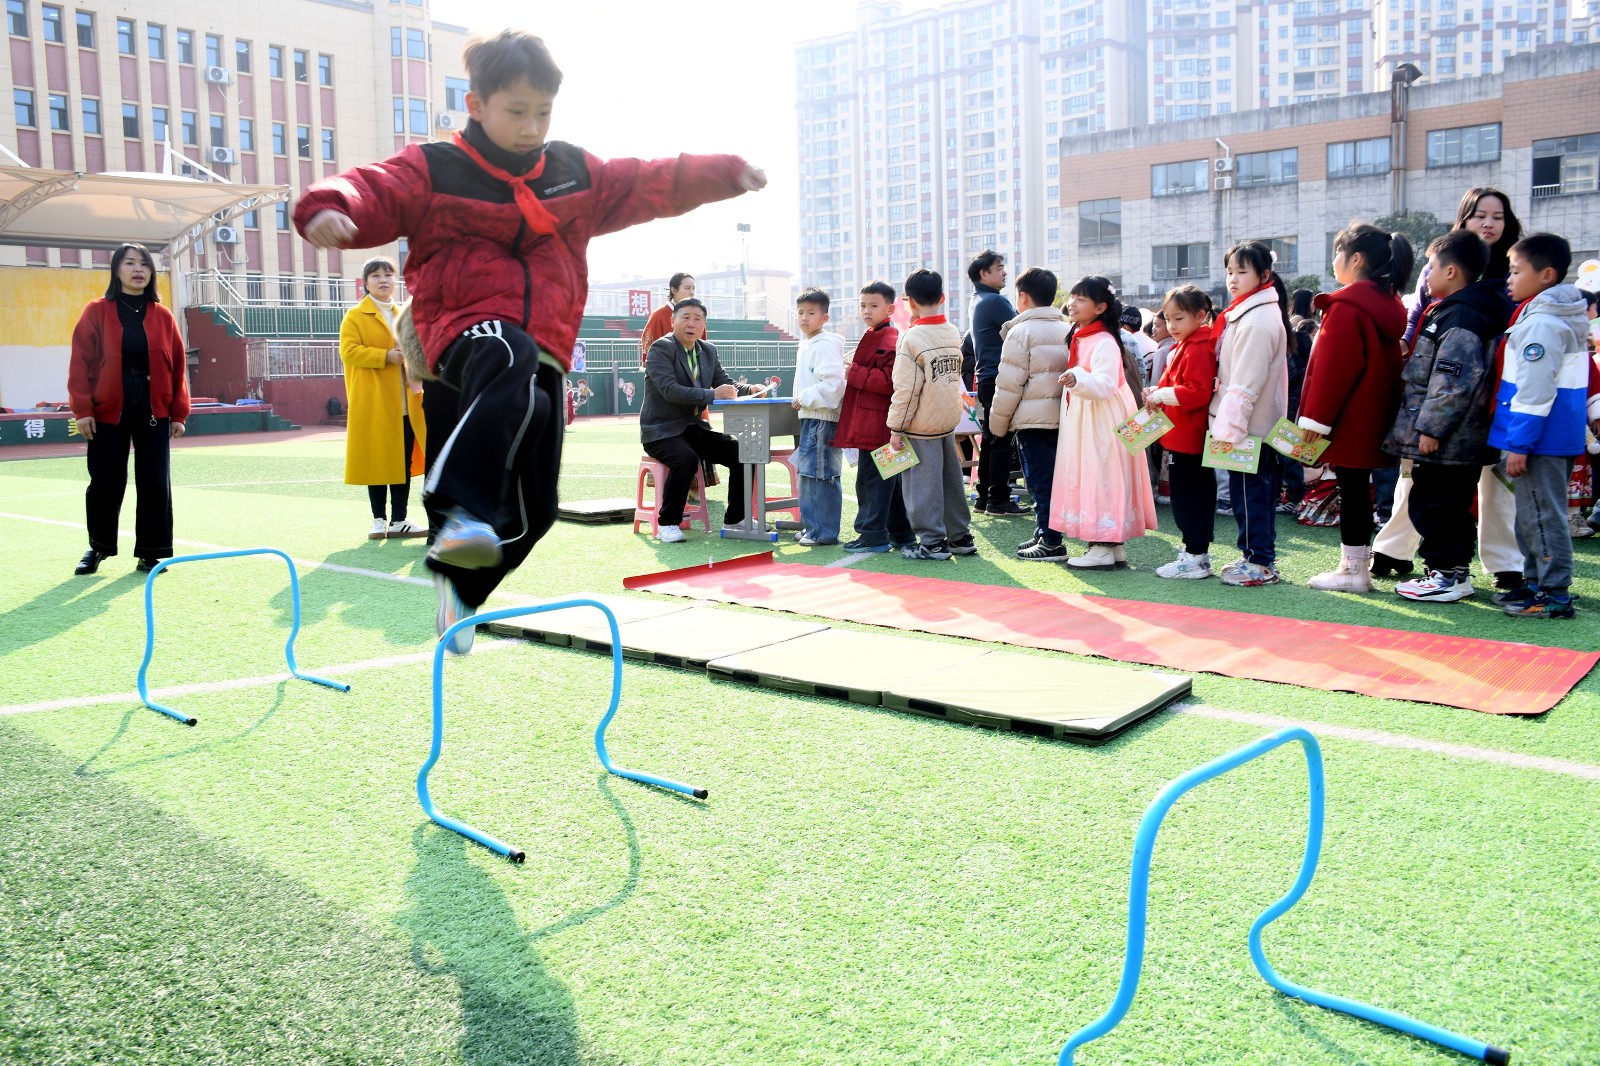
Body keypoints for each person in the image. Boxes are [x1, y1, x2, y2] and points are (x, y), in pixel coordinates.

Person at [295, 29, 766, 652]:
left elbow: (649, 181)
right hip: (459, 326)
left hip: (544, 344)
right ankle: (456, 505)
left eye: (543, 113)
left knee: (538, 506)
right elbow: (374, 186)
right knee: (506, 353)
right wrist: (329, 207)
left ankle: (462, 586)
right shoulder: (436, 167)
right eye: (516, 112)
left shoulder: (572, 172)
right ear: (476, 104)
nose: (531, 128)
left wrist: (727, 172)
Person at [1372, 187, 1523, 587]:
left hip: (1484, 398)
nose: (1489, 223)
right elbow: (1418, 315)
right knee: (1424, 485)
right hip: (1442, 404)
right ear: (1464, 218)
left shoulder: (1514, 268)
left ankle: (1492, 565)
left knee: (1479, 488)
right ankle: (1396, 549)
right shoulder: (1442, 264)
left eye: (1497, 217)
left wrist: (1431, 424)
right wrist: (1409, 345)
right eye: (1480, 215)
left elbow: (1453, 378)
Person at [1383, 231, 1500, 603]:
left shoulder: (1462, 314)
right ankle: (1454, 573)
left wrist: (1431, 429)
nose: (1426, 274)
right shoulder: (1457, 308)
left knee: (1437, 505)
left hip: (1450, 439)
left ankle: (1445, 575)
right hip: (1458, 437)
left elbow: (1452, 383)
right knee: (1448, 505)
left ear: (1451, 271)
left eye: (1431, 266)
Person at [1298, 224, 1413, 594]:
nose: (1335, 260)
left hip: (1348, 414)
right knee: (1359, 490)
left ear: (1356, 258)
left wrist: (1316, 419)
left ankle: (1353, 570)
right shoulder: (1387, 303)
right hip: (1373, 412)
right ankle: (1356, 567)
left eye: (1338, 252)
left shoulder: (1347, 306)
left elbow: (1333, 369)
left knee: (1352, 491)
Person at [68, 242, 191, 576]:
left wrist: (179, 413)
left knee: (155, 482)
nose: (138, 270)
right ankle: (99, 547)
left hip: (154, 408)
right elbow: (80, 363)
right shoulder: (97, 310)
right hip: (107, 408)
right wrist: (82, 409)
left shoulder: (163, 316)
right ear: (116, 270)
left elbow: (177, 367)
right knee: (105, 480)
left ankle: (151, 552)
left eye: (144, 264)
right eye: (130, 263)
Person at [1490, 233, 1589, 619]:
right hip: (1547, 437)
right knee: (1532, 513)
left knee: (1543, 516)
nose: (1509, 279)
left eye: (1516, 271)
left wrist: (1520, 444)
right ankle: (1535, 583)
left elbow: (1535, 389)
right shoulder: (1552, 317)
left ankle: (1554, 593)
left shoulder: (1543, 324)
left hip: (1540, 440)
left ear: (1546, 275)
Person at [1051, 275, 1158, 570]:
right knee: (1098, 472)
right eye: (1073, 297)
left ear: (1100, 308)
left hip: (1100, 418)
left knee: (1099, 473)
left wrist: (1077, 378)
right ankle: (1110, 545)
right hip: (1092, 414)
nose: (1072, 303)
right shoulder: (1086, 335)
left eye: (1081, 299)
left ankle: (1102, 545)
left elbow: (1105, 384)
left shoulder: (1103, 340)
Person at [641, 298, 768, 542]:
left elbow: (724, 383)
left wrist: (749, 388)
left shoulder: (708, 350)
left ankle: (736, 519)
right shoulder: (661, 348)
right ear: (673, 321)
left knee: (744, 453)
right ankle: (668, 523)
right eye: (685, 317)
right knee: (686, 459)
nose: (691, 323)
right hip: (660, 430)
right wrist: (712, 395)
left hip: (693, 428)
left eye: (697, 319)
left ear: (704, 324)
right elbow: (669, 390)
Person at [1209, 241, 1291, 586]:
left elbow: (1245, 384)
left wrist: (1229, 430)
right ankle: (1257, 557)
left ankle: (1258, 561)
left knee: (1250, 496)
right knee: (1257, 495)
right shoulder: (1252, 312)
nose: (1233, 278)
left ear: (1264, 275)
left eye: (1242, 271)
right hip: (1255, 424)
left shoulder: (1256, 319)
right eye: (1230, 271)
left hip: (1247, 427)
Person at [887, 269, 976, 560]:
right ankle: (960, 536)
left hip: (920, 426)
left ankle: (933, 542)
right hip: (947, 420)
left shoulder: (911, 338)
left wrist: (896, 428)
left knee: (921, 486)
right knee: (951, 482)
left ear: (909, 302)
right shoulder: (951, 331)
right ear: (942, 298)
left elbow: (906, 389)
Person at [339, 256, 428, 541]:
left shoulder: (404, 314)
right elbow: (348, 351)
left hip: (405, 402)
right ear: (366, 283)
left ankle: (399, 519)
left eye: (388, 275)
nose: (383, 280)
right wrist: (385, 356)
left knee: (402, 463)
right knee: (377, 460)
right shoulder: (355, 315)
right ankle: (378, 520)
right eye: (376, 276)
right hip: (375, 402)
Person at [988, 267, 1070, 561]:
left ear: (1022, 297)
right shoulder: (1067, 328)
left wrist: (998, 425)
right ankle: (1043, 532)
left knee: (1039, 481)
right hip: (1063, 419)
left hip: (1033, 421)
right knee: (1053, 480)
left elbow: (1009, 385)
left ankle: (1051, 541)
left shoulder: (1020, 332)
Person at [1145, 285, 1218, 578]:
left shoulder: (1197, 346)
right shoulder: (1189, 344)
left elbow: (1197, 392)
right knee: (1190, 496)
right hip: (1184, 434)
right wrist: (1158, 392)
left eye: (1179, 319)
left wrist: (1162, 394)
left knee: (1189, 498)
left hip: (1189, 436)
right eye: (1168, 319)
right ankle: (1195, 554)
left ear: (1200, 316)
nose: (1172, 326)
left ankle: (1195, 556)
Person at [836, 282, 914, 554]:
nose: (866, 311)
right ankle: (902, 534)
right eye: (863, 305)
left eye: (873, 305)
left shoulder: (888, 338)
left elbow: (890, 381)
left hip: (877, 423)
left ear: (890, 309)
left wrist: (854, 373)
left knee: (872, 481)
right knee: (890, 481)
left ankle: (872, 535)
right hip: (882, 422)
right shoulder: (879, 334)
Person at [969, 250, 1028, 516]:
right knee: (1001, 440)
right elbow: (1021, 332)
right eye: (999, 268)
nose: (1004, 273)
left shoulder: (978, 300)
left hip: (986, 378)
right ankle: (998, 500)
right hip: (999, 377)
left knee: (992, 439)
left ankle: (985, 497)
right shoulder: (994, 300)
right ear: (984, 273)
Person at [789, 287, 846, 546]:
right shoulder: (808, 343)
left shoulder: (824, 344)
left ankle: (823, 531)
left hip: (822, 419)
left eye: (811, 313)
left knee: (821, 475)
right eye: (800, 312)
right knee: (809, 473)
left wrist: (805, 397)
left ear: (824, 317)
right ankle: (813, 527)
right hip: (812, 417)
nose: (804, 318)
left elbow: (834, 385)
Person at [1282, 287, 1318, 515]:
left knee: (1288, 451)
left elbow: (1291, 372)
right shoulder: (1301, 331)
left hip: (1291, 400)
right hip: (1301, 399)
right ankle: (1298, 495)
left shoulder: (1292, 331)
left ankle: (1295, 495)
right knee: (1293, 451)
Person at [639, 272, 694, 365]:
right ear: (674, 290)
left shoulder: (697, 316)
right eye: (687, 288)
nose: (692, 292)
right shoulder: (658, 316)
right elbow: (649, 347)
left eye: (693, 289)